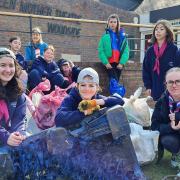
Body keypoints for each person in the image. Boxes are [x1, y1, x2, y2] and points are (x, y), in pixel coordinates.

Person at [55, 67, 124, 129]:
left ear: (97, 88)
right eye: (83, 85)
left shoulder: (96, 98)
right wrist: (84, 112)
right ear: (77, 86)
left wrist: (96, 102)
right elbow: (59, 119)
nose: (87, 89)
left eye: (91, 85)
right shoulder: (71, 98)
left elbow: (120, 101)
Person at [143, 19, 180, 101]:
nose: (158, 31)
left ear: (167, 32)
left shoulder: (173, 49)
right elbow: (146, 70)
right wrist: (148, 86)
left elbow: (177, 70)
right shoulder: (150, 50)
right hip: (155, 87)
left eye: (161, 29)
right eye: (156, 29)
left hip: (170, 88)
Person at [151, 67, 180, 169]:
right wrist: (171, 127)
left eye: (178, 81)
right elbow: (154, 126)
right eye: (170, 82)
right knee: (167, 140)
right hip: (173, 135)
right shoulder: (161, 102)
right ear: (166, 84)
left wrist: (177, 117)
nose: (174, 85)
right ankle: (177, 154)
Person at [0, 47, 26, 147]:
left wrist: (19, 134)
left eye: (11, 65)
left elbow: (19, 120)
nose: (8, 70)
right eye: (2, 65)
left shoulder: (19, 93)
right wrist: (5, 136)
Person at [98, 14, 129, 82]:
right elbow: (101, 50)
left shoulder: (122, 36)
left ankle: (115, 92)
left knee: (115, 82)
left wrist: (122, 63)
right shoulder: (104, 36)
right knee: (114, 82)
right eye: (111, 22)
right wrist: (106, 63)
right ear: (108, 23)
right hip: (109, 63)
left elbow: (126, 51)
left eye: (115, 22)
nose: (113, 24)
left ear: (117, 23)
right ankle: (117, 92)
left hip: (119, 63)